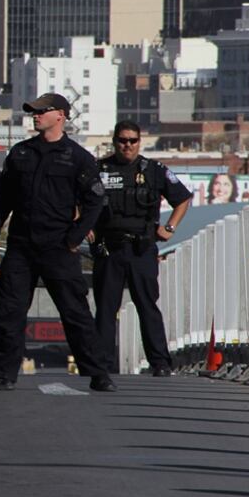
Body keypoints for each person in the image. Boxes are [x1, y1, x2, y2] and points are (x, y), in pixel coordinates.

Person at [0, 93, 116, 392]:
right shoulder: (21, 153)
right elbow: (2, 197)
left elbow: (95, 201)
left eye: (41, 112)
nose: (35, 116)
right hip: (21, 245)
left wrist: (74, 238)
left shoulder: (77, 157)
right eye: (33, 112)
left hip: (58, 246)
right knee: (9, 310)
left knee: (74, 311)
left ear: (60, 115)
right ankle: (2, 373)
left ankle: (98, 372)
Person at [91, 120, 191, 377]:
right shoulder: (98, 169)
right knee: (105, 307)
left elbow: (183, 198)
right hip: (109, 249)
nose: (127, 145)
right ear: (114, 141)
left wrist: (169, 228)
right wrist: (84, 228)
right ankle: (99, 364)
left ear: (139, 142)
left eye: (132, 140)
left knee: (147, 305)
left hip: (141, 248)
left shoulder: (154, 170)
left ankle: (160, 363)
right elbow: (76, 199)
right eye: (122, 140)